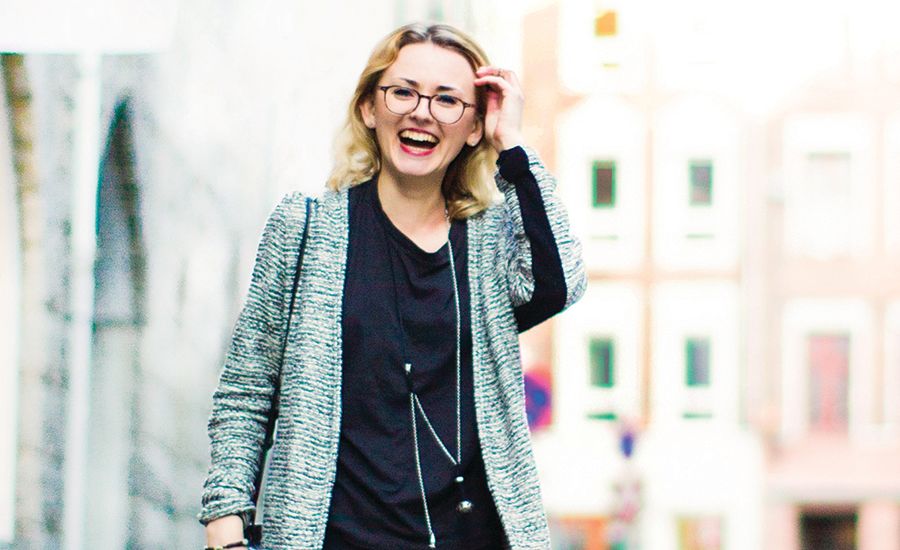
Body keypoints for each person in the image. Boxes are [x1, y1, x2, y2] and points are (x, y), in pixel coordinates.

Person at [199, 22, 585, 550]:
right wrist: (225, 523)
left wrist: (512, 147)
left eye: (448, 100)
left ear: (473, 126)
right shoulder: (306, 230)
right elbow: (247, 390)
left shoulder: (488, 247)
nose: (421, 111)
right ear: (368, 108)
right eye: (402, 92)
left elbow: (560, 281)